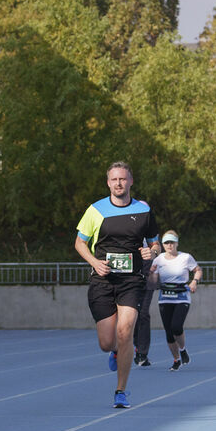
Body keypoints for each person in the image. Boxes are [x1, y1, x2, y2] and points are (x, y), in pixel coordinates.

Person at [74, 161, 161, 408]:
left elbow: (155, 243)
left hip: (132, 281)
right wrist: (94, 262)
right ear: (108, 182)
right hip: (103, 280)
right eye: (114, 180)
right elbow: (79, 243)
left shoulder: (144, 210)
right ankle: (114, 351)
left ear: (131, 181)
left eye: (123, 179)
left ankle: (120, 390)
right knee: (106, 342)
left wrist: (151, 253)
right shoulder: (96, 210)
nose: (119, 183)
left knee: (125, 333)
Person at [147, 230, 202, 371]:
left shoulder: (185, 257)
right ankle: (177, 359)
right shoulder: (158, 259)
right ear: (163, 245)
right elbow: (152, 282)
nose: (169, 245)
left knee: (176, 326)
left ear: (177, 243)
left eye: (172, 242)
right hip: (165, 298)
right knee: (168, 332)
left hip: (181, 297)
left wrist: (194, 282)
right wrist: (151, 274)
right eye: (166, 243)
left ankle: (183, 349)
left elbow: (198, 270)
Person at [132, 279, 156, 367]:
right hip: (131, 282)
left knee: (143, 314)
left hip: (147, 281)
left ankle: (142, 353)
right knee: (133, 314)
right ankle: (137, 346)